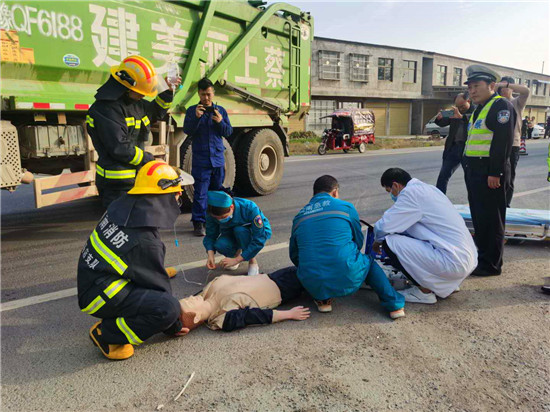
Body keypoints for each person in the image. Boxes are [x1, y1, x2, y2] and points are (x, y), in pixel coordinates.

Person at [78, 161, 194, 360]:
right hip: (98, 296)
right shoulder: (145, 241)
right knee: (168, 308)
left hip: (92, 278)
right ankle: (108, 333)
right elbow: (159, 289)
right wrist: (172, 324)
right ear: (164, 197)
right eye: (176, 193)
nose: (179, 197)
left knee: (152, 277)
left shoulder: (123, 206)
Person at [289, 175, 405, 319]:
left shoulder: (299, 216)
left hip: (312, 281)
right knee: (368, 262)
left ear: (314, 194)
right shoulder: (346, 207)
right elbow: (358, 241)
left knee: (313, 268)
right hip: (348, 274)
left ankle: (323, 300)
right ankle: (394, 305)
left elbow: (294, 255)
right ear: (335, 192)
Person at [87, 55, 180, 208]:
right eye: (140, 91)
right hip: (116, 186)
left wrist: (167, 91)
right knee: (120, 222)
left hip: (137, 180)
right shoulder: (106, 109)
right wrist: (150, 160)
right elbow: (119, 148)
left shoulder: (135, 103)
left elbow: (156, 112)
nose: (143, 95)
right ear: (126, 86)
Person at [373, 168, 478, 304]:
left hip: (453, 262)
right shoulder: (429, 190)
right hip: (468, 258)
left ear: (395, 185)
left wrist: (377, 241)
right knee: (407, 235)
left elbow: (384, 226)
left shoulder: (410, 194)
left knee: (389, 242)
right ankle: (447, 285)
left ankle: (424, 292)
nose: (391, 195)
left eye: (390, 191)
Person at [463, 65, 514, 277]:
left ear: (492, 85)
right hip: (474, 170)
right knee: (479, 217)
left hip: (489, 172)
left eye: (477, 86)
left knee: (491, 219)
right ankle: (482, 258)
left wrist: (496, 173)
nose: (472, 91)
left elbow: (503, 142)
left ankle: (491, 265)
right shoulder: (479, 108)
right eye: (470, 87)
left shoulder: (501, 106)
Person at [177, 266, 309, 333]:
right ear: (196, 317)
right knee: (313, 269)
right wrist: (289, 314)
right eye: (188, 303)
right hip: (282, 288)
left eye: (185, 299)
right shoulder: (224, 318)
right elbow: (255, 316)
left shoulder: (205, 294)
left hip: (271, 276)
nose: (189, 297)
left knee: (305, 263)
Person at [183, 78, 233, 237]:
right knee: (200, 193)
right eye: (203, 94)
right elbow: (187, 131)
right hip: (201, 160)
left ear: (213, 93)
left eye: (209, 94)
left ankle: (215, 220)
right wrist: (196, 118)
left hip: (217, 159)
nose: (206, 98)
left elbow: (228, 132)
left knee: (217, 191)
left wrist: (220, 122)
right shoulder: (192, 111)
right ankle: (199, 223)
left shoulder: (220, 111)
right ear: (198, 93)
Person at [204, 191, 271, 276]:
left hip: (251, 234)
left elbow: (259, 238)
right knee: (221, 245)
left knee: (240, 230)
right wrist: (210, 255)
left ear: (231, 207)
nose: (220, 220)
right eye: (217, 218)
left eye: (223, 217)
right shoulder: (212, 213)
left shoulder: (249, 208)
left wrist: (236, 260)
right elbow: (210, 235)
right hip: (231, 233)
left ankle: (252, 261)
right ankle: (236, 254)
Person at [496, 77, 530, 207]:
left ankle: (506, 205)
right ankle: (496, 204)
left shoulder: (517, 102)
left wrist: (507, 84)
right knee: (495, 175)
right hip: (497, 144)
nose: (503, 90)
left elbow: (526, 91)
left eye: (506, 87)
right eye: (501, 88)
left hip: (513, 145)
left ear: (511, 88)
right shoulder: (496, 103)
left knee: (509, 177)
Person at [434, 92, 473, 194]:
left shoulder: (476, 111)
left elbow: (472, 118)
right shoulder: (454, 111)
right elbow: (442, 123)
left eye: (462, 106)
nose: (460, 109)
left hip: (468, 149)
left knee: (471, 179)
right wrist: (439, 118)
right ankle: (439, 199)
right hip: (453, 148)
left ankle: (474, 201)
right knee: (443, 176)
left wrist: (461, 116)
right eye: (458, 106)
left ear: (468, 101)